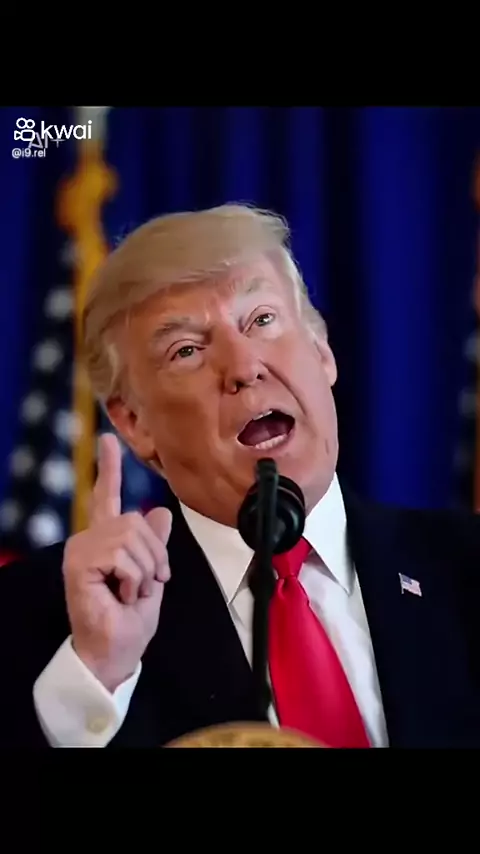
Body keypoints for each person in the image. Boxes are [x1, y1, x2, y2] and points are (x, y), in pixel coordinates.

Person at [1, 202, 480, 748]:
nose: (244, 367)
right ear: (134, 423)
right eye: (186, 350)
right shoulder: (42, 618)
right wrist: (98, 676)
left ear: (321, 351)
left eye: (262, 320)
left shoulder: (465, 567)